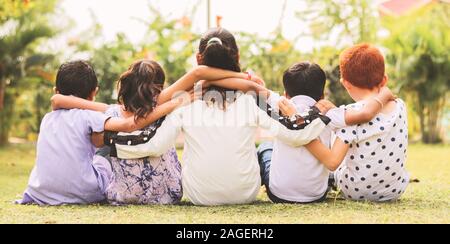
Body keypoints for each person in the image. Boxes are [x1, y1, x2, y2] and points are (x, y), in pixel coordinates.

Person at [110, 28, 329, 206]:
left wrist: (110, 142)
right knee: (264, 151)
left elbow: (153, 146)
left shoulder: (185, 100)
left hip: (200, 196)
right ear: (237, 57)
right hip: (245, 194)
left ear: (198, 58)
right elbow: (295, 134)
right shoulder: (252, 96)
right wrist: (319, 111)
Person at [51, 60, 258, 205]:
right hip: (168, 193)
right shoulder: (167, 104)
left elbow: (58, 101)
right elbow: (199, 75)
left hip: (123, 195)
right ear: (160, 87)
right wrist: (251, 81)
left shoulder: (111, 112)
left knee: (101, 145)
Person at [257, 61, 394, 204]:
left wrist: (257, 84)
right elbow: (362, 114)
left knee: (265, 147)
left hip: (278, 194)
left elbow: (256, 94)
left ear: (286, 94)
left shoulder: (278, 105)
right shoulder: (330, 114)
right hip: (316, 195)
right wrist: (384, 95)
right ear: (322, 95)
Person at [304, 44, 409, 202]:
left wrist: (304, 136)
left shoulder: (352, 116)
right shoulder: (400, 105)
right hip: (394, 190)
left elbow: (332, 162)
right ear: (385, 79)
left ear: (345, 83)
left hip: (356, 190)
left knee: (337, 131)